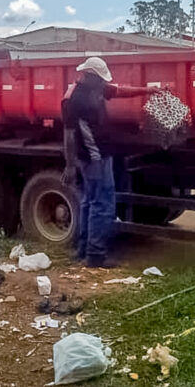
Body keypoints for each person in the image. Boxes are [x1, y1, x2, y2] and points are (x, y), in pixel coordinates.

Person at [61, 57, 161, 267]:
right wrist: (69, 165)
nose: (104, 83)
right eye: (101, 79)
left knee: (89, 201)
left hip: (100, 154)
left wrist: (147, 91)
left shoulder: (96, 89)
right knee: (102, 204)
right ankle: (96, 255)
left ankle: (83, 250)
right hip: (93, 157)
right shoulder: (75, 98)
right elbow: (69, 134)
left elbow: (120, 91)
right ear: (90, 75)